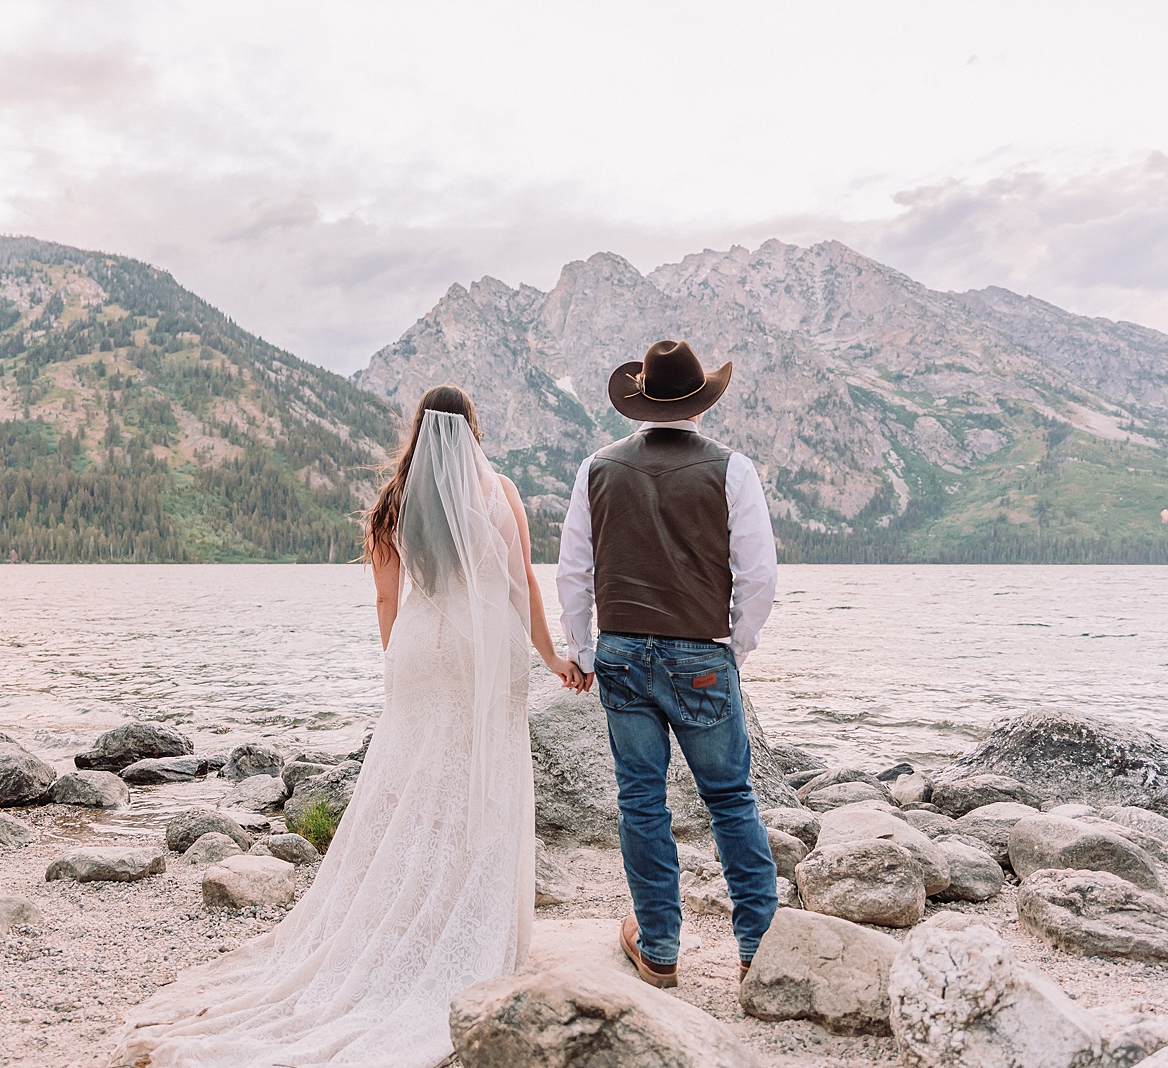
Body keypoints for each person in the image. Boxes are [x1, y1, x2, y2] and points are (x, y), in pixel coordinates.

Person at [110, 384, 584, 1068]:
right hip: (489, 653)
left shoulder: (395, 500)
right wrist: (552, 657)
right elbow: (523, 586)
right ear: (473, 431)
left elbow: (389, 597)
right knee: (483, 777)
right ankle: (471, 923)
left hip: (422, 646)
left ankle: (407, 916)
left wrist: (398, 662)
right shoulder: (500, 493)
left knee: (414, 783)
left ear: (418, 431)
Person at [555, 339, 780, 989]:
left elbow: (574, 571)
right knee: (730, 798)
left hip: (622, 651)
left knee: (640, 800)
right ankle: (757, 951)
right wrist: (735, 647)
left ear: (642, 403)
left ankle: (658, 948)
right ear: (699, 405)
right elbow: (758, 577)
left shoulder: (597, 468)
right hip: (701, 653)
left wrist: (582, 649)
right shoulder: (732, 469)